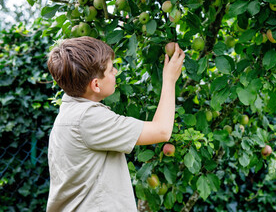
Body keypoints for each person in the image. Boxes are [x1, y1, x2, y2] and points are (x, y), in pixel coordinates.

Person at [46, 36, 185, 211]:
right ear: (96, 84)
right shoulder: (88, 118)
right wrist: (170, 79)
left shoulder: (70, 112)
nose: (116, 72)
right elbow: (162, 131)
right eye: (111, 69)